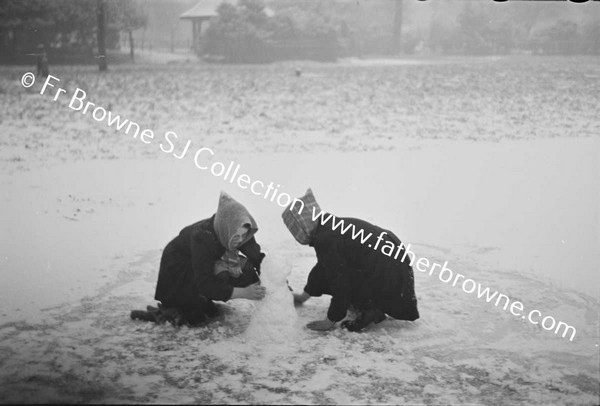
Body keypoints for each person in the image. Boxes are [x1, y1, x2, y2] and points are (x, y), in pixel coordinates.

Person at [283, 189, 419, 332]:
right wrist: (304, 296)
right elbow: (323, 268)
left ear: (302, 226)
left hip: (388, 274)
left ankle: (370, 310)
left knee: (344, 277)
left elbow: (339, 282)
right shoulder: (329, 228)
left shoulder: (327, 238)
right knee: (337, 270)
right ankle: (368, 303)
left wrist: (330, 320)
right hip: (394, 266)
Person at [131, 192, 267, 326]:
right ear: (226, 229)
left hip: (202, 265)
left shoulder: (238, 228)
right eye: (236, 237)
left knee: (246, 271)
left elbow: (255, 256)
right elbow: (205, 283)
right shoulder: (202, 237)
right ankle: (171, 310)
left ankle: (201, 300)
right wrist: (244, 292)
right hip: (178, 270)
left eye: (243, 236)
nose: (240, 240)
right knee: (194, 318)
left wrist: (270, 275)